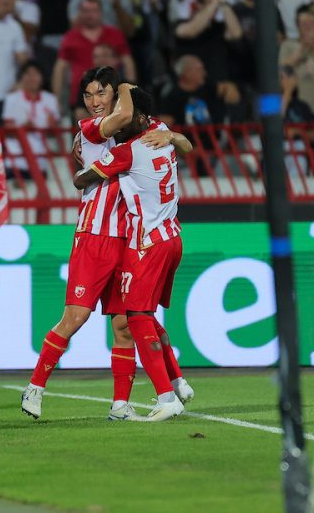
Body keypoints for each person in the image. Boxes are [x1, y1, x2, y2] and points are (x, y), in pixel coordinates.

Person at [21, 73, 192, 422]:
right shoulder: (94, 127)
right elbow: (121, 119)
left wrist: (172, 133)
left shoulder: (143, 128)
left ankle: (120, 405)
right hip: (95, 234)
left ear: (116, 96)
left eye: (102, 93)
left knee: (125, 323)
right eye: (87, 94)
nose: (94, 100)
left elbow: (184, 143)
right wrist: (126, 89)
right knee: (77, 316)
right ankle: (35, 388)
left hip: (129, 238)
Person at [71, 86, 193, 422]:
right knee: (145, 316)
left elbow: (82, 181)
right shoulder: (161, 135)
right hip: (173, 236)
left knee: (136, 317)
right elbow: (188, 145)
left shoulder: (127, 151)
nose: (116, 120)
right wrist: (175, 135)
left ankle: (166, 396)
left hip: (147, 242)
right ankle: (177, 381)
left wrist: (83, 157)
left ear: (136, 116)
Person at [53, 0, 135, 109]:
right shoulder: (70, 37)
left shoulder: (115, 35)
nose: (90, 15)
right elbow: (60, 69)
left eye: (93, 10)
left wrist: (131, 94)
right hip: (80, 98)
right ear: (80, 13)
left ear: (101, 12)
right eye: (86, 11)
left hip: (112, 97)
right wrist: (56, 100)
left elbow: (128, 63)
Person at [2, 61, 59, 178]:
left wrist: (51, 127)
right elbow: (7, 130)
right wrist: (22, 129)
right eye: (27, 74)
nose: (31, 78)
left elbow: (55, 133)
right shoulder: (12, 99)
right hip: (15, 161)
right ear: (21, 77)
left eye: (35, 74)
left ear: (42, 78)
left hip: (41, 161)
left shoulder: (50, 99)